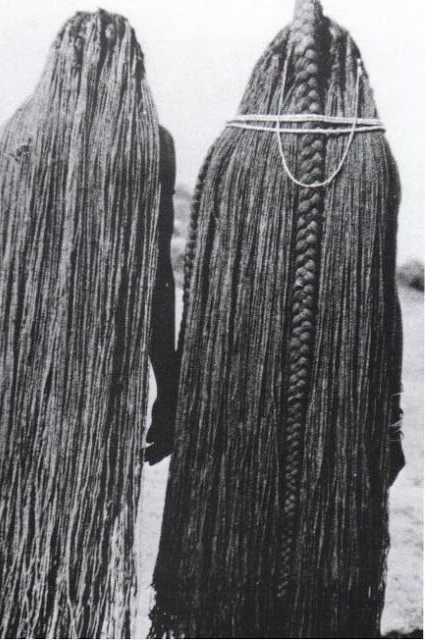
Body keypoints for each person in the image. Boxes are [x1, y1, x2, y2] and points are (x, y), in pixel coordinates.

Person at [150, 1, 405, 637]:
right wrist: (389, 421)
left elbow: (200, 297)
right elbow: (383, 312)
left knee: (229, 548)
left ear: (264, 73)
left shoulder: (233, 156)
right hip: (337, 434)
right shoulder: (373, 162)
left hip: (231, 416)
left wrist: (178, 396)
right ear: (352, 73)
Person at [0, 11, 177, 638]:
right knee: (77, 522)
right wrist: (171, 389)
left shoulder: (13, 135)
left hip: (13, 376)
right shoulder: (149, 143)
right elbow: (155, 280)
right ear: (133, 66)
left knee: (9, 509)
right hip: (99, 379)